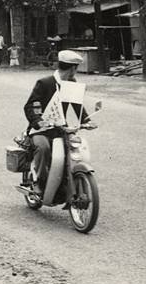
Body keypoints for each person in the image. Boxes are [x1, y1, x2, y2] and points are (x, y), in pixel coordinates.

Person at [23, 50, 94, 195]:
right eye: (76, 68)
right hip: (41, 130)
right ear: (73, 68)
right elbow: (29, 106)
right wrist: (39, 122)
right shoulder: (44, 83)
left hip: (60, 128)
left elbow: (77, 104)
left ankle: (65, 182)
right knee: (43, 149)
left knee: (73, 150)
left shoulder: (71, 83)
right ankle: (39, 183)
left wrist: (86, 120)